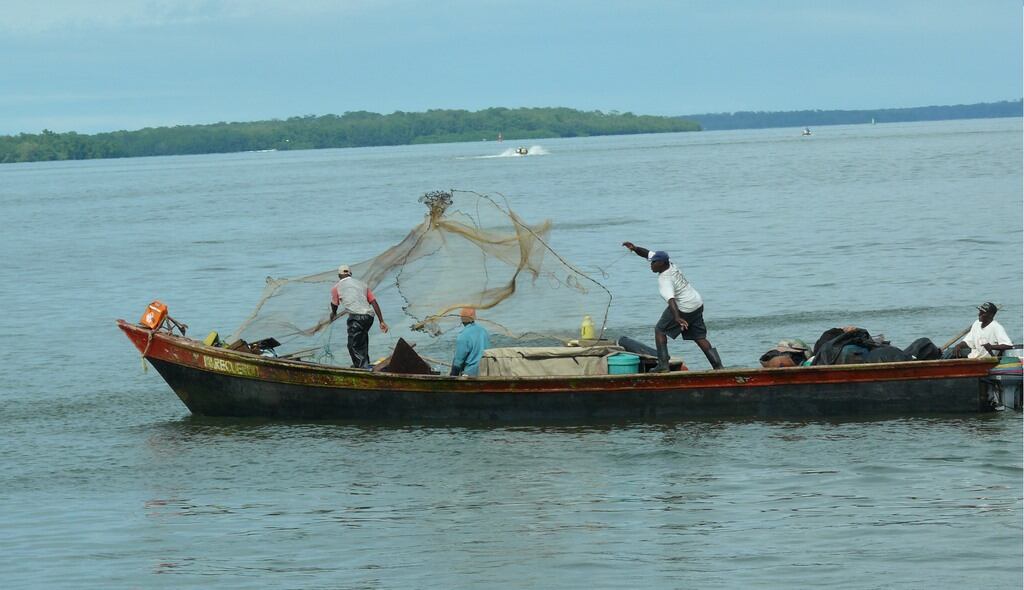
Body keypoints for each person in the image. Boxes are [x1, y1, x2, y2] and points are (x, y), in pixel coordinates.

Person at [621, 242, 723, 371]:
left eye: (653, 263)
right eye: (651, 262)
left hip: (683, 307)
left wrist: (677, 318)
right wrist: (635, 249)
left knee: (660, 330)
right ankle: (718, 366)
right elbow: (647, 253)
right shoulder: (670, 264)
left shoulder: (665, 279)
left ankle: (663, 365)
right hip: (696, 303)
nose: (651, 265)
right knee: (699, 337)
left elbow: (671, 300)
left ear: (661, 264)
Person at [329, 264, 388, 368]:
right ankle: (365, 365)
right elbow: (373, 302)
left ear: (339, 276)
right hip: (369, 317)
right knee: (362, 341)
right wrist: (381, 321)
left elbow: (334, 304)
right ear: (350, 274)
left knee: (353, 345)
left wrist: (333, 314)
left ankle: (362, 369)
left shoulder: (336, 287)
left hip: (357, 318)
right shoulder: (362, 284)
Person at [947, 301, 1013, 359]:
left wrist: (991, 347)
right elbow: (968, 341)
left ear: (991, 315)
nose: (979, 314)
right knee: (950, 351)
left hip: (986, 358)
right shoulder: (976, 324)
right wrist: (959, 345)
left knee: (949, 353)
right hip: (974, 355)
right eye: (980, 312)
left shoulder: (996, 327)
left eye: (983, 313)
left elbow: (1008, 345)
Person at [450, 307, 489, 376]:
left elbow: (458, 362)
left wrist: (452, 376)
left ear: (462, 319)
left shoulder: (463, 335)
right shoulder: (484, 331)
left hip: (470, 373)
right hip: (485, 371)